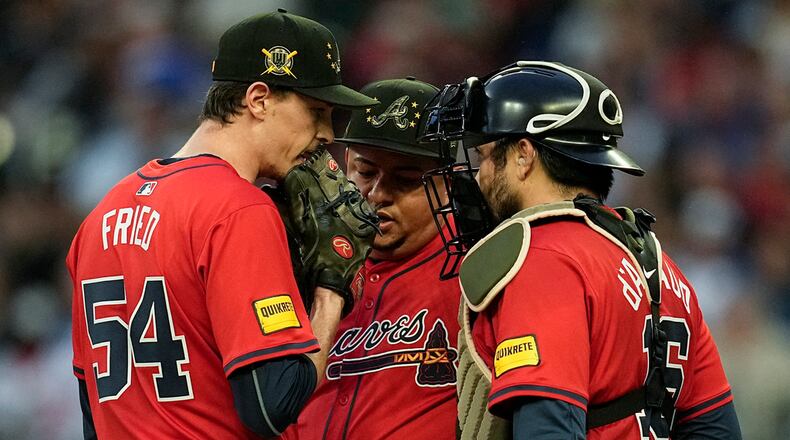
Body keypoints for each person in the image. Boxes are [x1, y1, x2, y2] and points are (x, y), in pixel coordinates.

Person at [67, 10, 378, 440]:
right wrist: (330, 291)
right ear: (259, 99)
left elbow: (90, 412)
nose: (327, 133)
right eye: (317, 110)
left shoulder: (101, 216)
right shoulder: (239, 211)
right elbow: (271, 407)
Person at [420, 61, 742, 439]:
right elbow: (716, 430)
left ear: (524, 154)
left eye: (486, 156)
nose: (480, 175)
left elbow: (548, 430)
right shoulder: (660, 263)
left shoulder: (543, 259)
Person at [286, 78, 461, 439]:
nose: (378, 194)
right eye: (365, 173)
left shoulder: (477, 268)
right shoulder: (297, 258)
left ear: (448, 181)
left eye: (406, 179)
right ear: (346, 163)